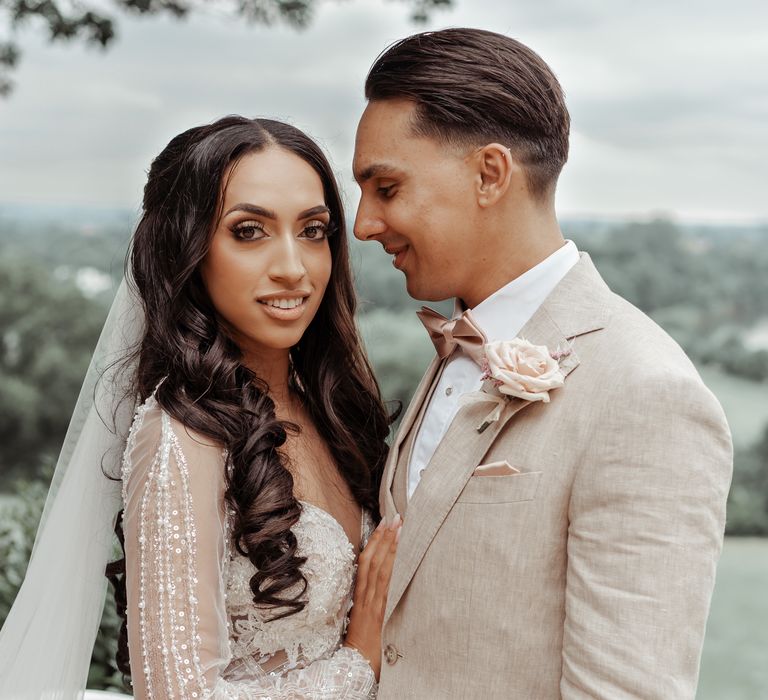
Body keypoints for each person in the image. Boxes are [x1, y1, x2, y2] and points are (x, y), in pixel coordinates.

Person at [352, 28, 733, 699]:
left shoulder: (646, 392)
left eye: (386, 187)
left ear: (489, 174)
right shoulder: (454, 346)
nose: (364, 223)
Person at [0, 116, 400, 699]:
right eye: (248, 232)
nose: (294, 266)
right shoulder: (181, 439)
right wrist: (359, 662)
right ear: (188, 250)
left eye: (313, 230)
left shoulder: (332, 412)